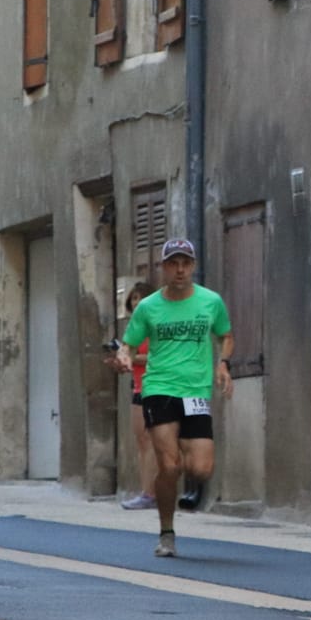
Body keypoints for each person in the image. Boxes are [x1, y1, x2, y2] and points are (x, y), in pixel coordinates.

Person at [114, 239, 234, 559]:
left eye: (185, 263)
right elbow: (129, 343)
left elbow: (226, 335)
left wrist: (222, 363)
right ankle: (167, 533)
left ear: (192, 266)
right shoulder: (148, 307)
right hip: (159, 388)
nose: (180, 269)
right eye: (173, 263)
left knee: (201, 469)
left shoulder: (211, 302)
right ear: (164, 267)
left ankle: (180, 446)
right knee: (169, 466)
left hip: (195, 391)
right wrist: (125, 357)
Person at [113, 283, 157, 511]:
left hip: (158, 388)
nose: (136, 302)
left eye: (140, 298)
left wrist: (131, 357)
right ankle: (147, 491)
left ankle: (152, 493)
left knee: (154, 442)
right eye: (134, 299)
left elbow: (157, 356)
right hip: (139, 388)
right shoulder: (135, 327)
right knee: (142, 442)